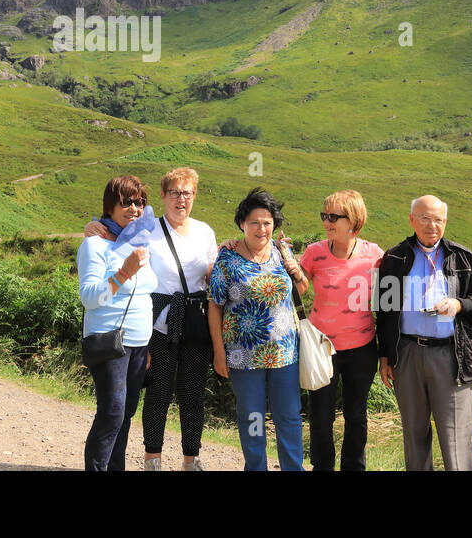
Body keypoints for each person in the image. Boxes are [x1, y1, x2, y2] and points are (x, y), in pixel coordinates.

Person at [376, 194, 472, 471]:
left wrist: (459, 304)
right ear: (412, 220)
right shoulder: (394, 258)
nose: (432, 225)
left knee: (456, 436)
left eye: (438, 219)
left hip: (451, 355)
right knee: (414, 432)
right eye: (425, 218)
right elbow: (383, 310)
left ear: (446, 222)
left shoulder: (463, 258)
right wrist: (384, 356)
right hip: (407, 354)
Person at [209, 187, 308, 471]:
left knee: (288, 417)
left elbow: (301, 288)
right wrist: (219, 351)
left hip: (284, 353)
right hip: (243, 356)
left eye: (267, 222)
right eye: (254, 222)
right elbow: (215, 306)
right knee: (251, 418)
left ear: (274, 225)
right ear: (242, 224)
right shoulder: (227, 258)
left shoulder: (282, 251)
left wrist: (295, 268)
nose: (261, 228)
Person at [299, 189, 384, 470]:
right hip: (322, 349)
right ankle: (321, 467)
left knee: (356, 414)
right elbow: (296, 289)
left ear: (355, 220)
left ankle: (353, 467)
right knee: (321, 415)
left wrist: (387, 353)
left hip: (362, 348)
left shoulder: (375, 256)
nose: (327, 222)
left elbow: (388, 304)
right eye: (325, 215)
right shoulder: (313, 253)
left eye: (334, 216)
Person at [138, 168, 217, 470]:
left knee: (193, 392)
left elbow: (211, 274)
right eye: (174, 192)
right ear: (163, 196)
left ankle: (190, 459)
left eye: (187, 193)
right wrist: (95, 227)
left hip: (196, 319)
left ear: (194, 196)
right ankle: (152, 458)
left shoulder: (205, 232)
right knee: (158, 389)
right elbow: (116, 236)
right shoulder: (149, 230)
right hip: (158, 318)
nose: (181, 199)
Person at [78, 175, 158, 471]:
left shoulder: (139, 243)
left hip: (138, 343)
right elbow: (89, 297)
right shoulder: (94, 245)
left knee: (125, 414)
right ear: (110, 206)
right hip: (109, 338)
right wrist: (124, 272)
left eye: (140, 202)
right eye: (127, 202)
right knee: (112, 413)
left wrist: (147, 345)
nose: (135, 208)